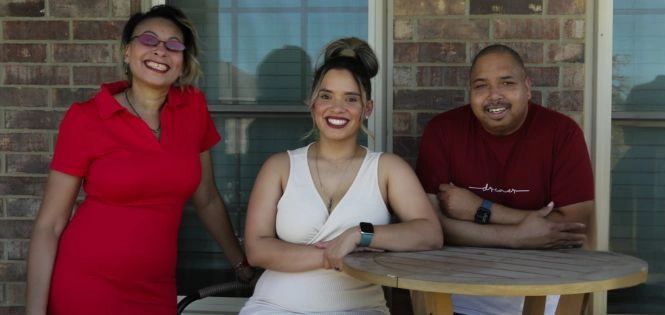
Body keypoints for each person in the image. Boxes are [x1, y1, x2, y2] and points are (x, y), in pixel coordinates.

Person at [25, 5, 253, 315]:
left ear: (183, 62)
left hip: (155, 289)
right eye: (148, 40)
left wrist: (240, 263)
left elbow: (208, 198)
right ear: (127, 51)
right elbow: (49, 226)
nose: (161, 51)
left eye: (174, 44)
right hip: (85, 286)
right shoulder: (87, 117)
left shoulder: (193, 109)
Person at [239, 37, 442, 315]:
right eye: (326, 96)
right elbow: (257, 249)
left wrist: (360, 234)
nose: (337, 108)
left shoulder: (387, 169)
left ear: (367, 108)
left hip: (359, 308)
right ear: (312, 104)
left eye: (351, 99)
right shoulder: (280, 167)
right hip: (275, 306)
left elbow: (429, 233)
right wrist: (335, 253)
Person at [415, 44, 595, 315]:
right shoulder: (444, 131)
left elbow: (571, 226)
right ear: (470, 92)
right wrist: (516, 236)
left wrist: (481, 209)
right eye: (481, 86)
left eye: (507, 83)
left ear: (527, 87)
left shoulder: (562, 133)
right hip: (458, 294)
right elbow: (432, 225)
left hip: (547, 292)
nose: (493, 96)